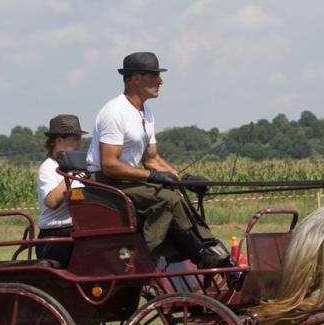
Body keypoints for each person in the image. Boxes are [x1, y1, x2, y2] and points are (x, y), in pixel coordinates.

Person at [86, 51, 232, 269]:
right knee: (166, 198)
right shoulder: (115, 112)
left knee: (177, 192)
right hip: (103, 183)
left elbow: (152, 159)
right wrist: (152, 176)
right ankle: (159, 254)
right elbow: (109, 165)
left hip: (125, 179)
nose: (160, 81)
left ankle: (208, 245)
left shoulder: (146, 112)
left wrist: (184, 180)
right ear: (136, 78)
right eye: (154, 75)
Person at [36, 114, 87, 266]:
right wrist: (71, 174)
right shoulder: (48, 168)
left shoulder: (77, 167)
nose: (79, 144)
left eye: (80, 139)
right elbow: (52, 202)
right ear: (59, 141)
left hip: (77, 232)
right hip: (56, 238)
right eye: (75, 139)